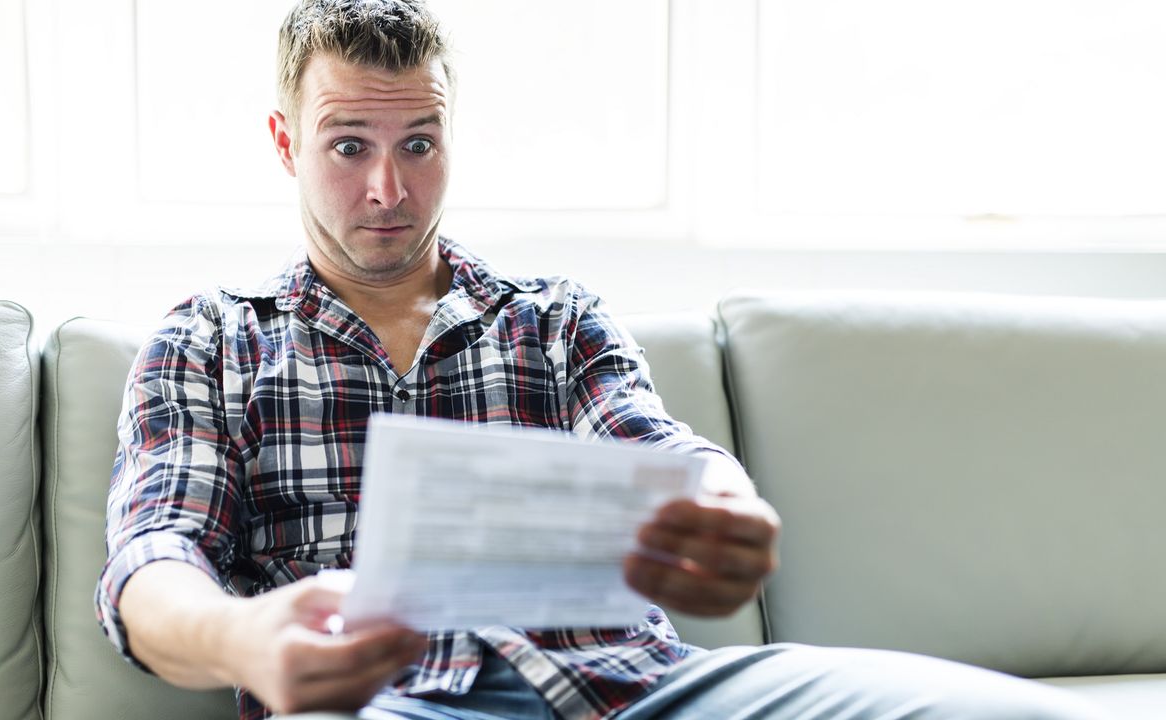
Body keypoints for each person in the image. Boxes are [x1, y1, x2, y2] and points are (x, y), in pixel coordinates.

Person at [97, 2, 1107, 718]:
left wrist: (718, 508)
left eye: (418, 143)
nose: (386, 189)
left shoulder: (556, 321)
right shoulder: (212, 340)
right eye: (348, 144)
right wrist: (246, 643)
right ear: (285, 143)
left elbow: (659, 448)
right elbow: (153, 560)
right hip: (382, 702)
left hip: (634, 688)